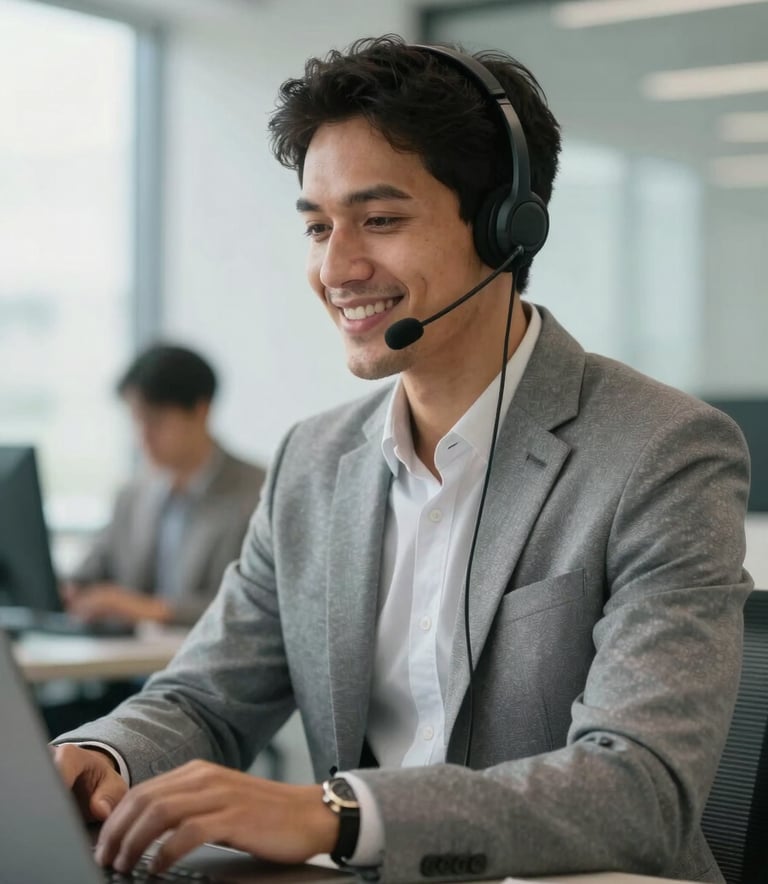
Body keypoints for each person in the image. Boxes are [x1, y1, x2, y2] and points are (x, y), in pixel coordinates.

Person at [52, 36, 751, 883]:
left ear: (507, 225)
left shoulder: (663, 451)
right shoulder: (313, 461)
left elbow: (640, 788)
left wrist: (338, 815)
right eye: (318, 226)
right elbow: (204, 694)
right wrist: (101, 756)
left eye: (380, 220)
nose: (336, 268)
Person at [63, 343, 266, 627]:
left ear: (200, 410)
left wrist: (148, 609)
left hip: (203, 661)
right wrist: (69, 589)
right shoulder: (133, 494)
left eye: (155, 421)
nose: (143, 436)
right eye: (137, 420)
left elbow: (254, 602)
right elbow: (92, 568)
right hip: (123, 663)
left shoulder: (258, 493)